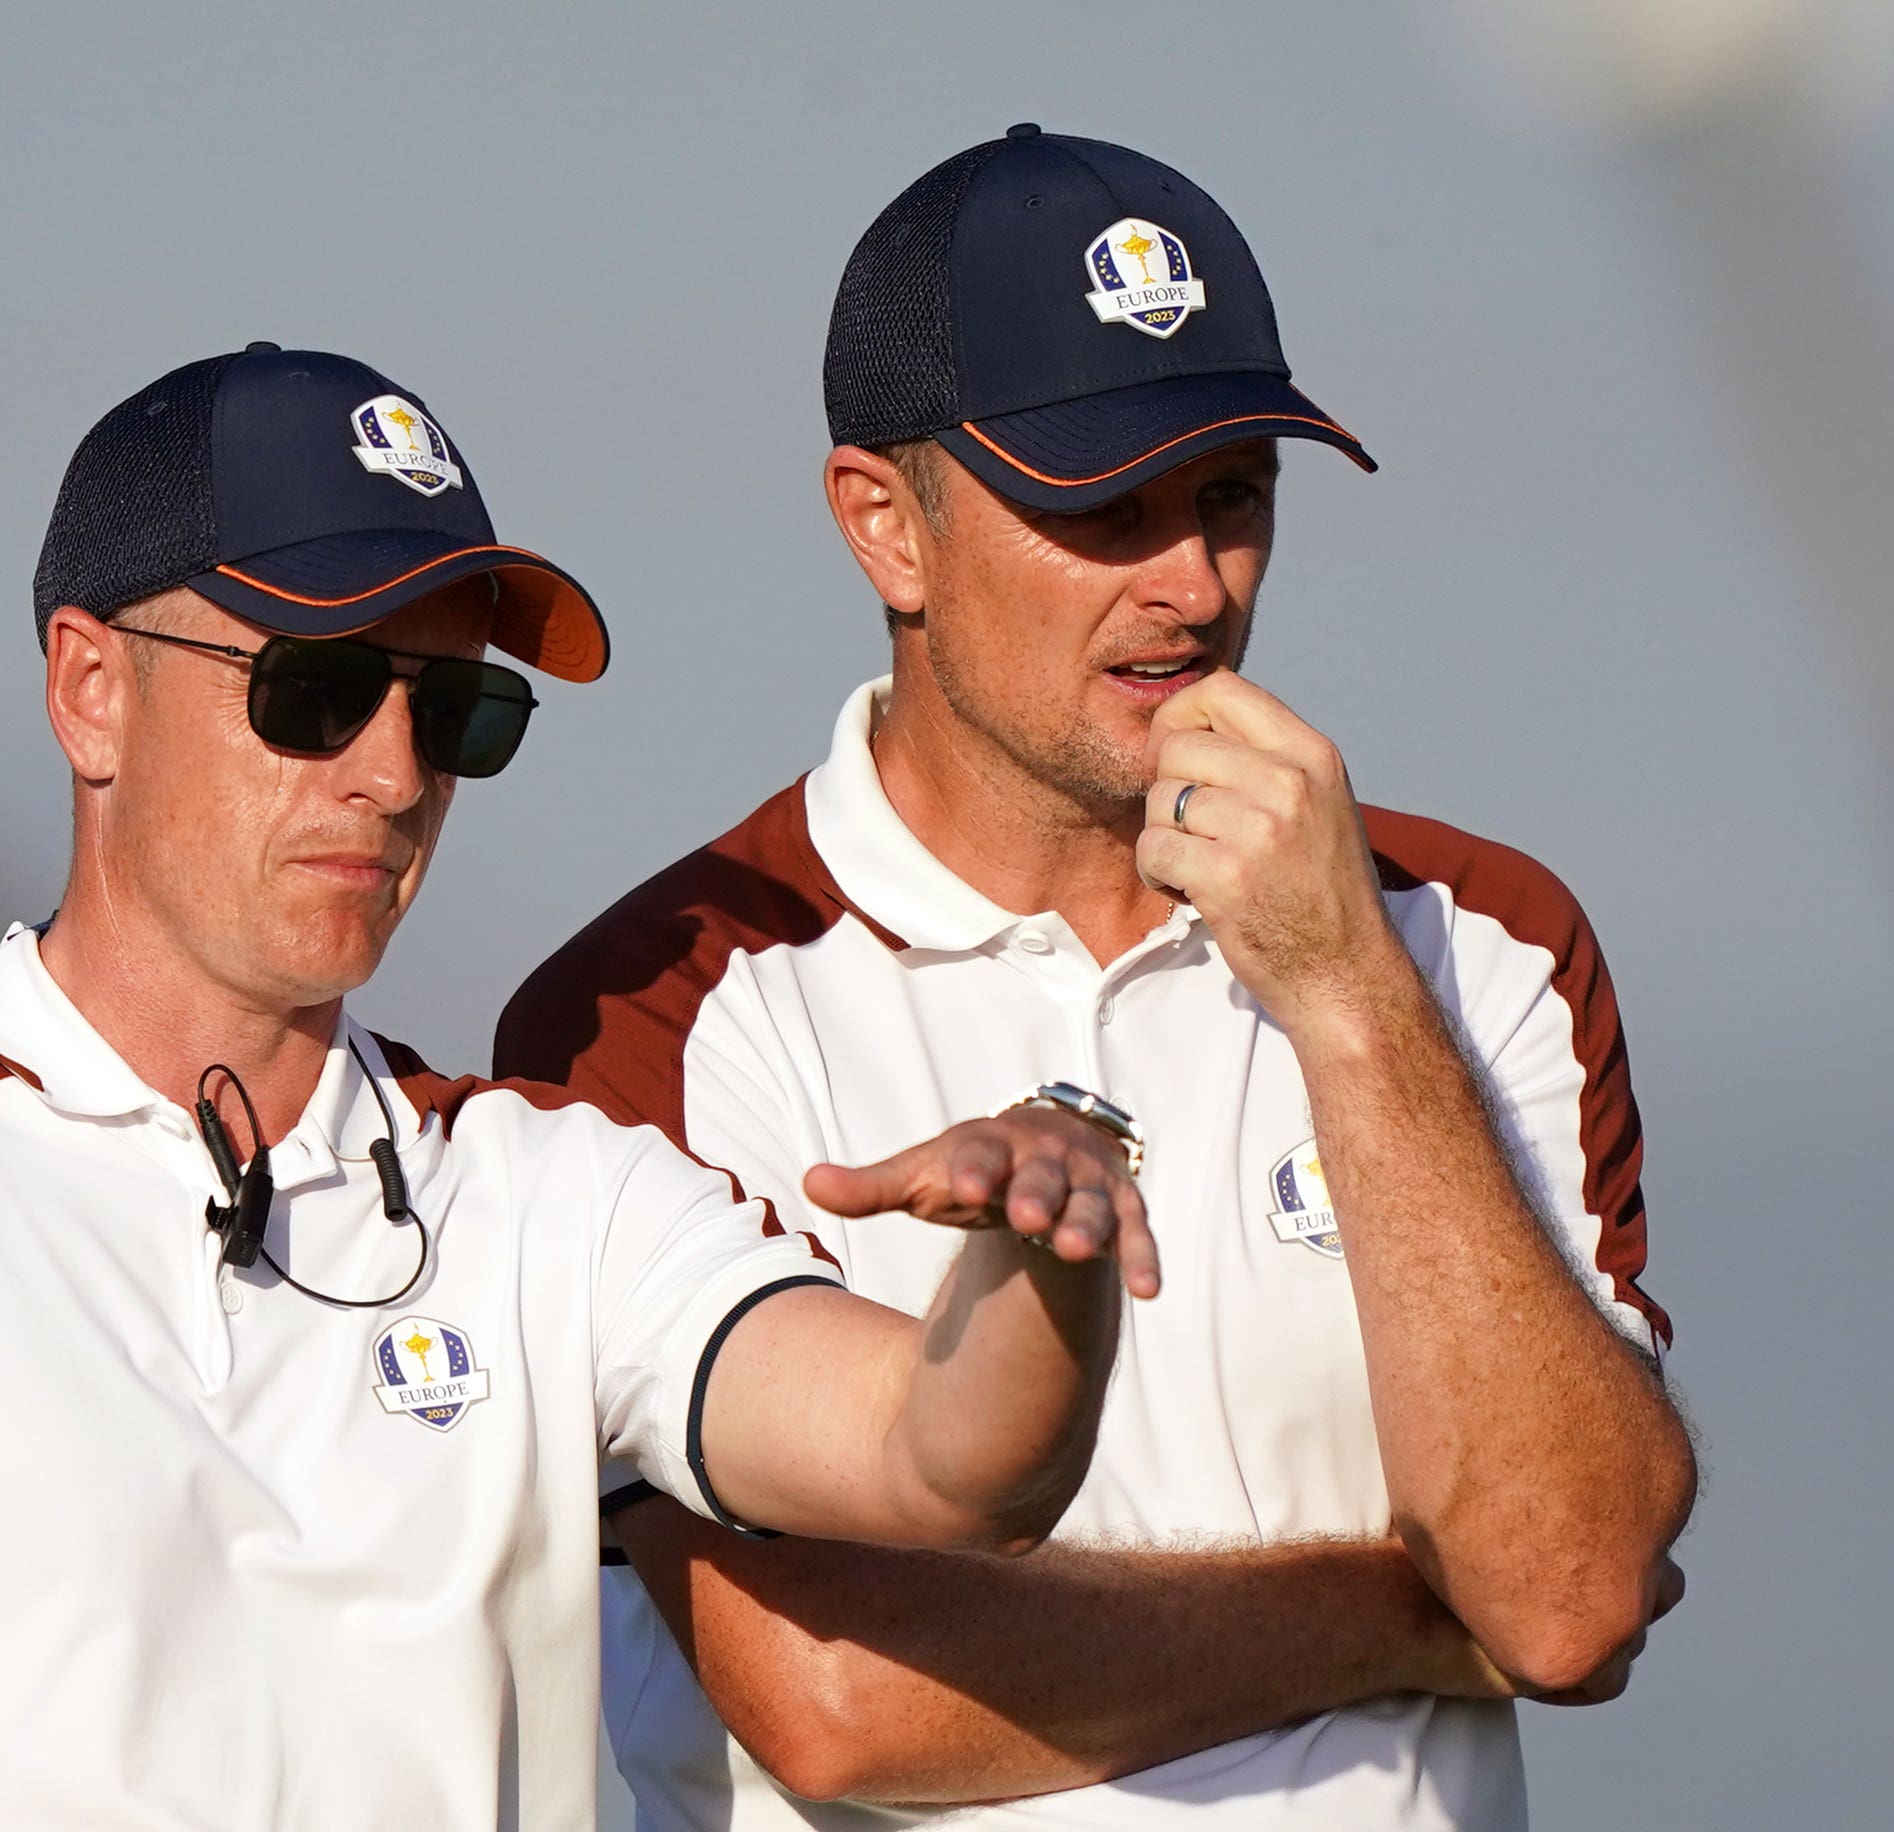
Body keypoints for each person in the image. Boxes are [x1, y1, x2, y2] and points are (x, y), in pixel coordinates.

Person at [0, 343, 1165, 1831]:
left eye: (455, 710)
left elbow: (946, 1458)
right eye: (311, 691)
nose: (391, 776)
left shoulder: (549, 1191)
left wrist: (1049, 1253)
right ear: (89, 687)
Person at [497, 127, 1697, 1830]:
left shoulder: (1476, 937)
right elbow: (842, 1701)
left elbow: (1566, 1595)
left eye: (1232, 495)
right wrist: (1417, 1611)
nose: (1194, 585)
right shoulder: (660, 1004)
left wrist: (1351, 994)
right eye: (1100, 506)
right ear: (883, 527)